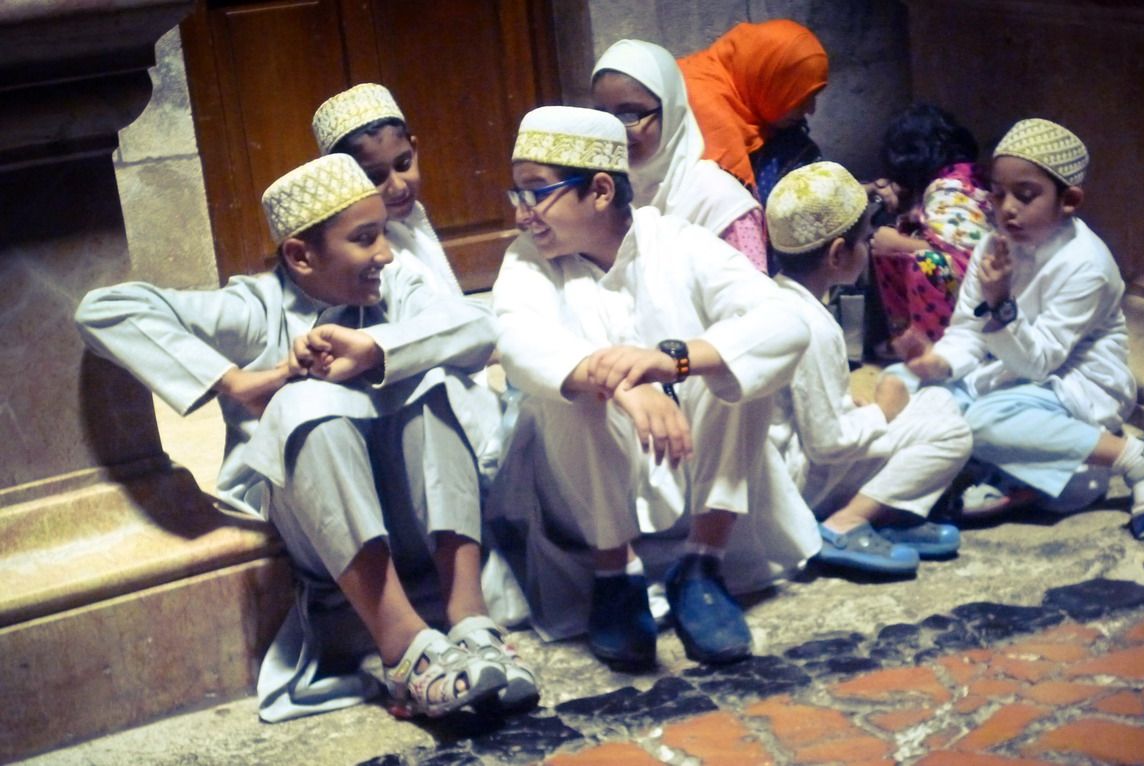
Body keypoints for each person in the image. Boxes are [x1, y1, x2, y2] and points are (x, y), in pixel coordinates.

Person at [74, 154, 538, 721]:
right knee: (303, 403)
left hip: (416, 519)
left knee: (427, 376)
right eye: (364, 239)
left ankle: (469, 621)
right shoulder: (257, 308)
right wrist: (243, 384)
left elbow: (479, 327)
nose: (385, 254)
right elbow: (103, 309)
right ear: (300, 255)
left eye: (383, 234)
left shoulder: (396, 285)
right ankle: (403, 650)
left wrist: (375, 351)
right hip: (322, 535)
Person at [490, 106, 814, 669]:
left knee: (733, 365)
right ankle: (614, 574)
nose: (523, 214)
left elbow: (786, 323)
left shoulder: (678, 242)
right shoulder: (527, 262)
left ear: (599, 190)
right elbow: (517, 343)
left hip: (688, 471)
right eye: (517, 194)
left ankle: (703, 564)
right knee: (573, 391)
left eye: (535, 193)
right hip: (583, 498)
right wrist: (618, 382)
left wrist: (673, 361)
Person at [895, 118, 1144, 539]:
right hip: (1006, 378)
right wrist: (936, 363)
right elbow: (968, 332)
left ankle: (1138, 456)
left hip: (1072, 384)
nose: (1007, 208)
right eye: (998, 193)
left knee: (984, 422)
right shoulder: (992, 244)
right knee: (904, 387)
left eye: (1025, 195)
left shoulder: (1087, 265)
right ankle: (1029, 477)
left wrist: (1000, 303)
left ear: (1069, 200)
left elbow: (1039, 363)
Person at [765, 162, 972, 575]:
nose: (869, 247)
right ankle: (844, 524)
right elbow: (827, 443)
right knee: (951, 430)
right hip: (798, 482)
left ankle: (889, 515)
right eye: (863, 240)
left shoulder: (777, 297)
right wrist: (883, 411)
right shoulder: (813, 325)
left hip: (791, 467)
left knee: (934, 400)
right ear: (838, 254)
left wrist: (853, 408)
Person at [592, 38, 768, 272]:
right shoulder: (603, 194)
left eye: (630, 114)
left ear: (671, 111)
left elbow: (751, 293)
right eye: (603, 115)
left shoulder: (721, 204)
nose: (614, 129)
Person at [313, 83, 461, 296]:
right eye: (375, 177)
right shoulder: (360, 259)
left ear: (414, 149)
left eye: (403, 164)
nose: (398, 186)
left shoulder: (412, 218)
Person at [868, 104, 993, 345]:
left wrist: (896, 242)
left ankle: (931, 348)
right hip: (978, 290)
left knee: (921, 262)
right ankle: (908, 339)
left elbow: (957, 255)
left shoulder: (948, 188)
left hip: (979, 293)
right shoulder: (964, 175)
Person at [678, 19, 828, 207]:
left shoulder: (745, 87)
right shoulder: (710, 114)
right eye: (801, 98)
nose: (811, 110)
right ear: (771, 83)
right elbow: (729, 208)